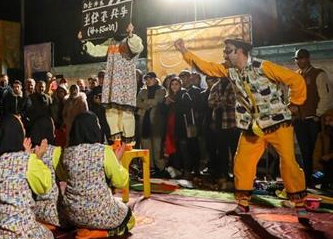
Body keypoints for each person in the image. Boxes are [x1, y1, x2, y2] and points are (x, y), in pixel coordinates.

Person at [174, 37, 309, 223]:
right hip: (251, 126)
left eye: (228, 50)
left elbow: (295, 79)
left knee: (288, 163)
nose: (224, 54)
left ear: (240, 51)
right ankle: (243, 204)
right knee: (242, 162)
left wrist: (295, 103)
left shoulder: (264, 66)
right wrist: (184, 51)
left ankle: (300, 205)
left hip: (277, 123)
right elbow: (206, 67)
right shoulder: (229, 70)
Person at [59, 112, 135, 239]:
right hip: (98, 213)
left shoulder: (67, 152)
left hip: (73, 215)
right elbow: (120, 182)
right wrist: (117, 160)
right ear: (94, 128)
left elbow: (65, 177)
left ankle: (85, 227)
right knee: (130, 219)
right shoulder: (103, 150)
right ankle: (103, 233)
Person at [80, 23, 143, 145]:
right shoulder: (111, 42)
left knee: (126, 113)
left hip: (125, 83)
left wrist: (130, 34)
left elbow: (136, 48)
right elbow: (96, 50)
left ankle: (128, 143)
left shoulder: (132, 40)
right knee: (111, 111)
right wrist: (85, 41)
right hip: (112, 82)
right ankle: (116, 141)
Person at [292, 48, 330, 186]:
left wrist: (318, 114)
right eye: (297, 59)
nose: (299, 61)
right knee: (304, 151)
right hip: (299, 120)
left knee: (315, 151)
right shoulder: (295, 75)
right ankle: (308, 180)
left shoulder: (318, 74)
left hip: (313, 120)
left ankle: (319, 179)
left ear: (308, 58)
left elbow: (326, 97)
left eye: (302, 58)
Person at [28, 116, 63, 229]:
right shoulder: (55, 151)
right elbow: (65, 175)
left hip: (32, 210)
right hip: (53, 210)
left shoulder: (27, 152)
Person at [136, 72, 166, 175]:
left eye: (150, 78)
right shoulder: (143, 91)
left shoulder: (161, 90)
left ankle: (160, 168)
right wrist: (148, 104)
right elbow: (137, 103)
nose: (148, 81)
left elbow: (158, 101)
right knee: (146, 146)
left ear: (155, 79)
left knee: (157, 147)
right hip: (144, 122)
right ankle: (149, 167)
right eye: (146, 79)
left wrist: (145, 103)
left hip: (157, 122)